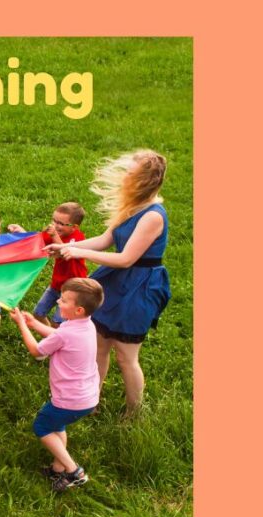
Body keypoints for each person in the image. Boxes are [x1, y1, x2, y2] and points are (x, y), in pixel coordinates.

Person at [46, 150, 170, 417]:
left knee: (126, 356)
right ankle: (93, 399)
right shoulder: (132, 207)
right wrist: (66, 245)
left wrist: (80, 253)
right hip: (114, 282)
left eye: (130, 172)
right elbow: (105, 241)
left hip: (139, 287)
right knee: (100, 345)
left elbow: (126, 258)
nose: (124, 176)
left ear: (143, 180)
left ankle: (133, 413)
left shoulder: (153, 216)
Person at [10, 278, 104, 492]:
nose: (58, 302)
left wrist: (22, 325)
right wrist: (35, 323)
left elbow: (36, 351)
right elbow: (60, 337)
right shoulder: (86, 325)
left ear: (78, 309)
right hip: (87, 397)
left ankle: (73, 471)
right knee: (57, 426)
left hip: (69, 400)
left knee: (42, 427)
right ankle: (57, 468)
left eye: (63, 300)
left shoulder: (67, 331)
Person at [8, 201, 88, 327]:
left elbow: (64, 252)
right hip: (56, 284)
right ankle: (51, 337)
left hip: (73, 289)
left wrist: (55, 235)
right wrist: (22, 232)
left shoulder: (77, 239)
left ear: (74, 227)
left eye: (61, 223)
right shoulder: (54, 232)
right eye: (54, 221)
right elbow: (37, 241)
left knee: (58, 322)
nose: (56, 226)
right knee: (38, 314)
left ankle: (59, 341)